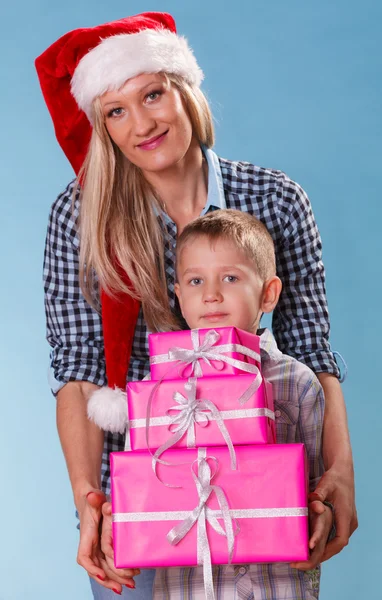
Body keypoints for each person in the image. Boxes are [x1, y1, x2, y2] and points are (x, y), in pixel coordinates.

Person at [35, 11, 356, 599]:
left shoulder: (275, 199)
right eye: (115, 110)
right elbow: (78, 374)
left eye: (152, 94)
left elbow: (312, 349)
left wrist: (340, 472)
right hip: (144, 505)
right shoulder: (81, 217)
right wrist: (89, 501)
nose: (141, 123)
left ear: (184, 90)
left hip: (264, 496)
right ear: (102, 127)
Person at [111, 208, 333, 598]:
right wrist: (121, 532)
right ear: (178, 296)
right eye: (196, 281)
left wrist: (319, 516)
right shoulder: (151, 392)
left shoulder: (298, 383)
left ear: (268, 293)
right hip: (188, 588)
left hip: (278, 586)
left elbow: (315, 488)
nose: (211, 294)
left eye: (230, 278)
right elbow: (140, 489)